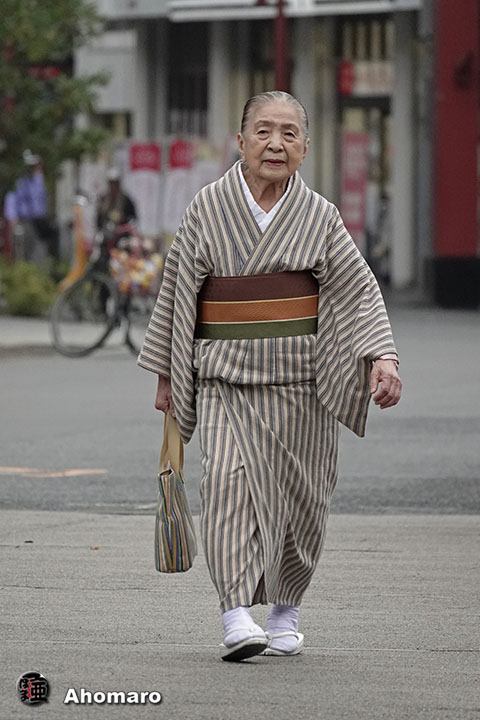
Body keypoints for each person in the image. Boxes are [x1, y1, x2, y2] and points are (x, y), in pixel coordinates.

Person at [138, 91, 402, 662]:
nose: (275, 144)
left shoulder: (320, 216)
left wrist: (383, 355)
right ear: (241, 141)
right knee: (226, 488)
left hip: (302, 386)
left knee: (302, 506)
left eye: (288, 133)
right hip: (226, 383)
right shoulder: (208, 207)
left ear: (305, 147)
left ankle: (285, 612)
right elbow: (177, 291)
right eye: (263, 131)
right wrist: (166, 372)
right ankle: (236, 614)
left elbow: (358, 290)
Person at [11, 150, 59, 261]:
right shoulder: (22, 183)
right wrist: (14, 217)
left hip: (39, 218)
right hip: (27, 219)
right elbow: (16, 201)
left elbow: (41, 198)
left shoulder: (39, 180)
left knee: (54, 231)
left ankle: (53, 260)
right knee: (29, 244)